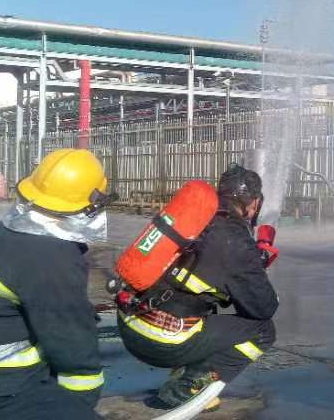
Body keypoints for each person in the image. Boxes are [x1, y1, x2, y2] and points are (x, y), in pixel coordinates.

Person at [0, 148, 113, 420]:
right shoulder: (52, 255)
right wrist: (81, 398)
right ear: (91, 204)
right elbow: (70, 337)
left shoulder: (19, 226)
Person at [117, 164, 278, 410]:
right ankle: (187, 386)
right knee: (263, 331)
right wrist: (254, 265)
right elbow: (263, 307)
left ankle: (183, 373)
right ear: (254, 203)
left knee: (201, 301)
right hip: (159, 344)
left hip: (129, 324)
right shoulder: (235, 239)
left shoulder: (192, 219)